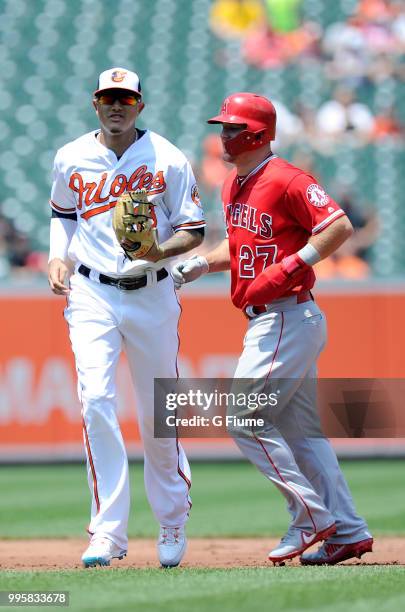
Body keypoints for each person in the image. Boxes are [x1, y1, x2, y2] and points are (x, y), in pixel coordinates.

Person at [172, 92, 373, 565]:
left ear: (257, 135)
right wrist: (201, 263)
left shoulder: (287, 178)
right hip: (276, 318)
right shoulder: (232, 183)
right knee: (303, 434)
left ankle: (309, 515)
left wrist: (295, 263)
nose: (223, 135)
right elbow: (241, 246)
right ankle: (347, 529)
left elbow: (338, 226)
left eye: (231, 128)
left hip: (287, 314)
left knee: (244, 417)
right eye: (222, 127)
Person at [48, 67, 205, 568]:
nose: (117, 105)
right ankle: (108, 532)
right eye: (108, 98)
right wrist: (58, 256)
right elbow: (64, 214)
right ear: (95, 103)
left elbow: (195, 230)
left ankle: (171, 518)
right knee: (95, 398)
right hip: (91, 291)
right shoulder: (71, 156)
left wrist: (158, 251)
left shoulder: (168, 158)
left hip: (152, 292)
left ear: (140, 105)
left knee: (159, 412)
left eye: (126, 98)